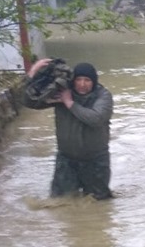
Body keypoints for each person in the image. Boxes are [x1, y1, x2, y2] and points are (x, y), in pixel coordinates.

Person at [24, 58, 113, 199]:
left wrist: (69, 103)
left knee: (99, 203)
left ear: (94, 82)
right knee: (60, 202)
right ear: (73, 81)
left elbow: (96, 119)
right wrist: (33, 71)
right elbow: (28, 101)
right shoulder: (61, 91)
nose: (82, 84)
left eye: (87, 80)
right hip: (66, 159)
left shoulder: (103, 96)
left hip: (95, 160)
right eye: (78, 80)